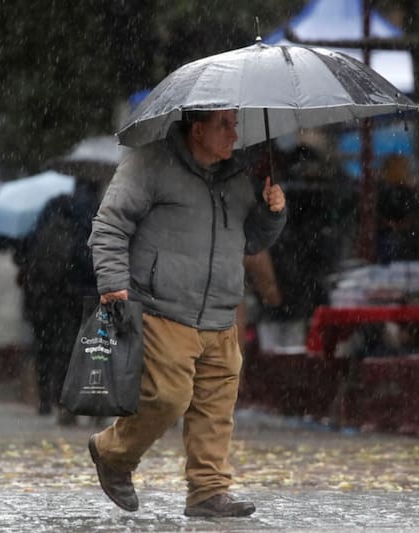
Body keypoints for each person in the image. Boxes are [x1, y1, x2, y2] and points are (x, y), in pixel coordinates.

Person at [86, 109, 286, 517]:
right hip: (163, 308)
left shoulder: (236, 175)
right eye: (224, 125)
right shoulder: (149, 163)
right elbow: (109, 227)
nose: (234, 134)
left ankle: (208, 491)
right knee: (168, 397)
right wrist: (113, 284)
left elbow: (249, 241)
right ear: (197, 130)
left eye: (235, 124)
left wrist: (271, 213)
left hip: (221, 312)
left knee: (216, 409)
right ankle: (112, 453)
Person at [14, 177, 105, 424]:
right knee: (97, 347)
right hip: (93, 288)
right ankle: (97, 404)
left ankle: (62, 403)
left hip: (58, 291)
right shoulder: (100, 209)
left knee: (62, 346)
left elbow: (30, 246)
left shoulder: (56, 206)